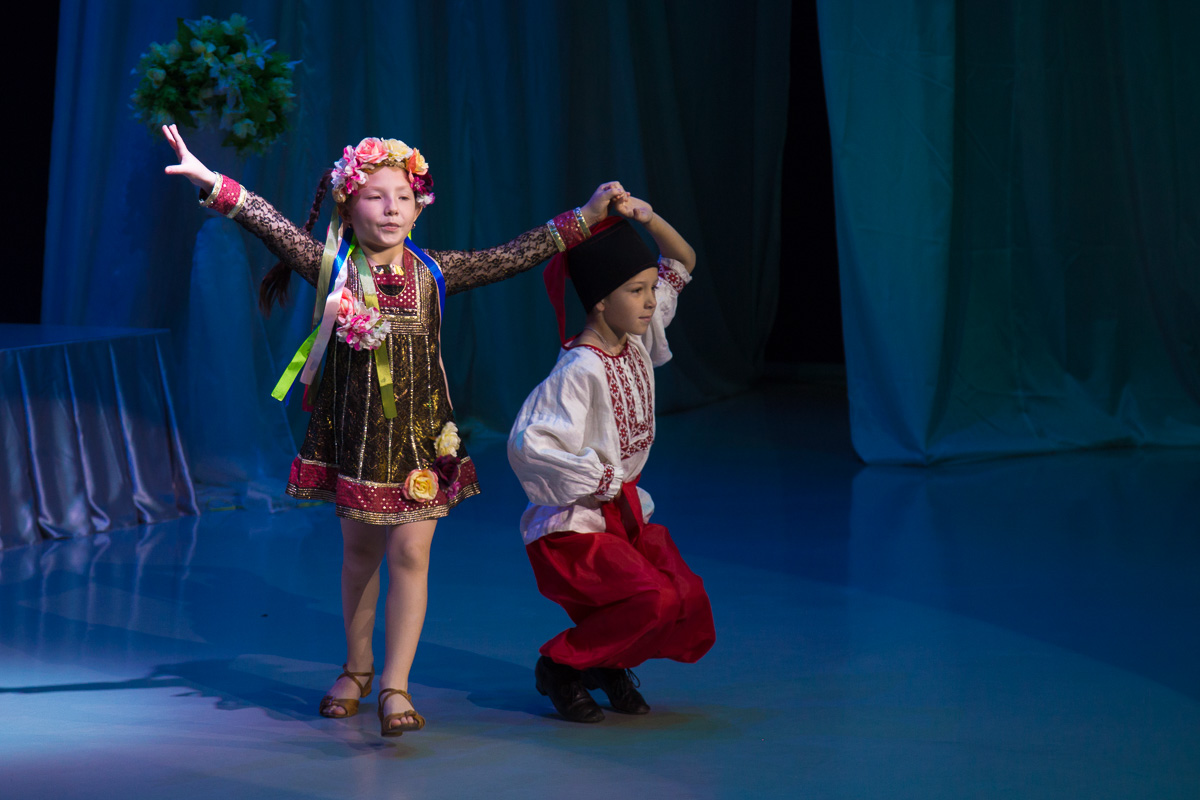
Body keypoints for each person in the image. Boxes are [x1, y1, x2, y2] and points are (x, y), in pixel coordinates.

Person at [163, 124, 624, 736]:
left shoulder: (434, 272)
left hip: (420, 443)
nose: (391, 209)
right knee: (360, 555)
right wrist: (210, 180)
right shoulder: (332, 267)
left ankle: (395, 683)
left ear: (418, 206)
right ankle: (356, 668)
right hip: (358, 440)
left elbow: (511, 255)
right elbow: (271, 224)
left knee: (411, 553)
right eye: (376, 196)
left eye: (403, 197)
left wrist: (584, 218)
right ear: (348, 206)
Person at [507, 194, 715, 723]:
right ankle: (560, 666)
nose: (650, 301)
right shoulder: (579, 369)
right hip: (574, 526)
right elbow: (530, 443)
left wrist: (649, 219)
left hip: (623, 515)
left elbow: (682, 261)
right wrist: (598, 478)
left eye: (649, 290)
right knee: (652, 599)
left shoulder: (636, 339)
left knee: (685, 598)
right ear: (600, 301)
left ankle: (606, 661)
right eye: (636, 291)